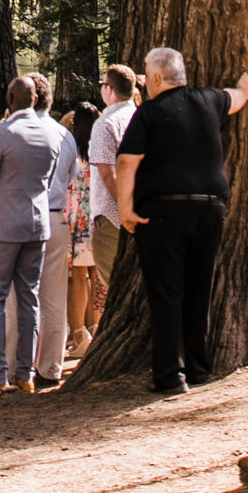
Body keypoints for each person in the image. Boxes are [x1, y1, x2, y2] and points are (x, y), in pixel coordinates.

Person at [116, 46, 248, 395]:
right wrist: (247, 87)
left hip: (163, 212)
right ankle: (198, 368)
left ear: (155, 79)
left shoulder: (149, 112)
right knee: (199, 288)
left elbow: (126, 163)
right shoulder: (209, 100)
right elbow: (235, 98)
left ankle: (169, 374)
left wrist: (125, 210)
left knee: (167, 292)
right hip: (211, 209)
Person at [0, 74, 66, 399]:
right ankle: (26, 373)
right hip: (37, 223)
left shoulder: (0, 133)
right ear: (36, 100)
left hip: (3, 225)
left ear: (9, 102)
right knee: (30, 296)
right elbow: (50, 178)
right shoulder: (55, 134)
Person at [20, 72, 78, 388]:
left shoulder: (12, 131)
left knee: (21, 295)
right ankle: (51, 367)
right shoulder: (65, 135)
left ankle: (19, 366)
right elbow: (73, 177)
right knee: (54, 295)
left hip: (25, 218)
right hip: (57, 219)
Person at [89, 65, 139, 312]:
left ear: (110, 90)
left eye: (102, 84)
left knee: (114, 284)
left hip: (112, 215)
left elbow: (108, 174)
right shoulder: (139, 117)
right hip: (140, 211)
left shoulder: (105, 123)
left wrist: (124, 208)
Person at [64, 105, 98, 352]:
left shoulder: (70, 157)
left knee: (78, 276)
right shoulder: (99, 154)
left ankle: (78, 333)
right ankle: (96, 326)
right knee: (98, 276)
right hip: (98, 220)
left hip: (76, 222)